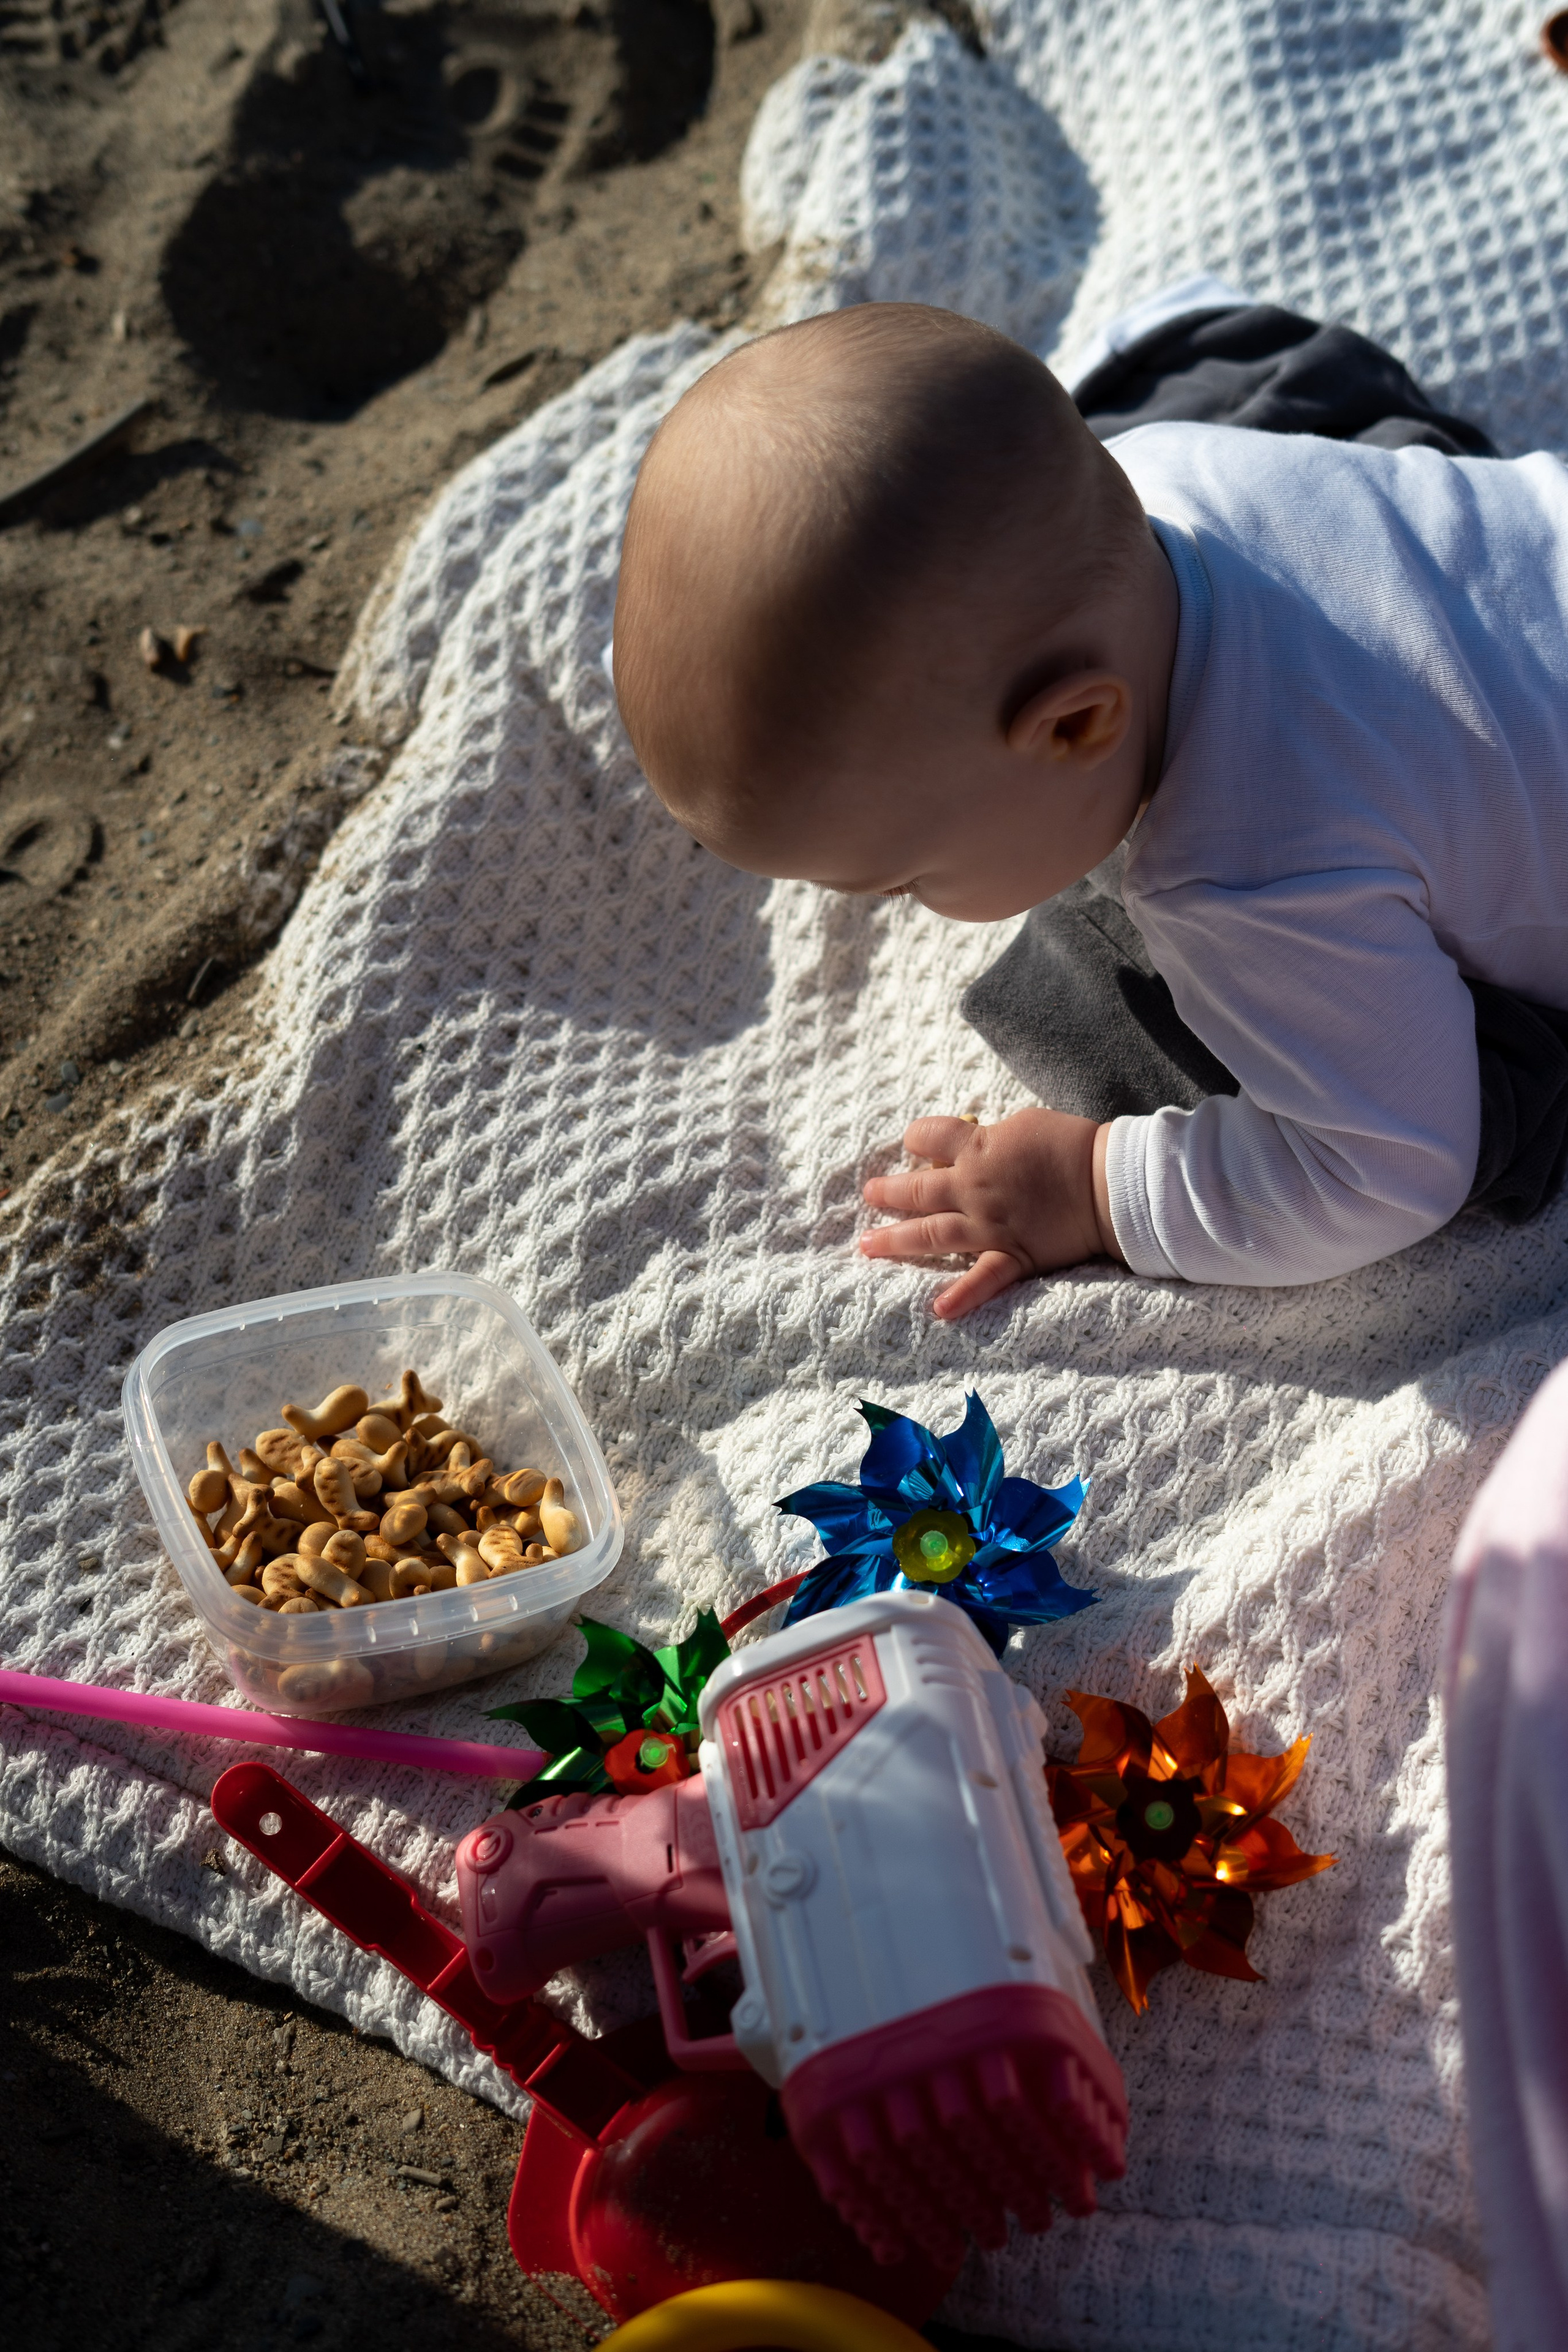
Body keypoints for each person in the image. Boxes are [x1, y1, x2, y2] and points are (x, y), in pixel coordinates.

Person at [611, 298, 1568, 1315]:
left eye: (904, 881)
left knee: (1111, 994)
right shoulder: (1165, 468)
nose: (888, 903)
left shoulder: (1250, 878)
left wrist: (1091, 1191)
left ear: (1075, 727)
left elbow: (1388, 1166)